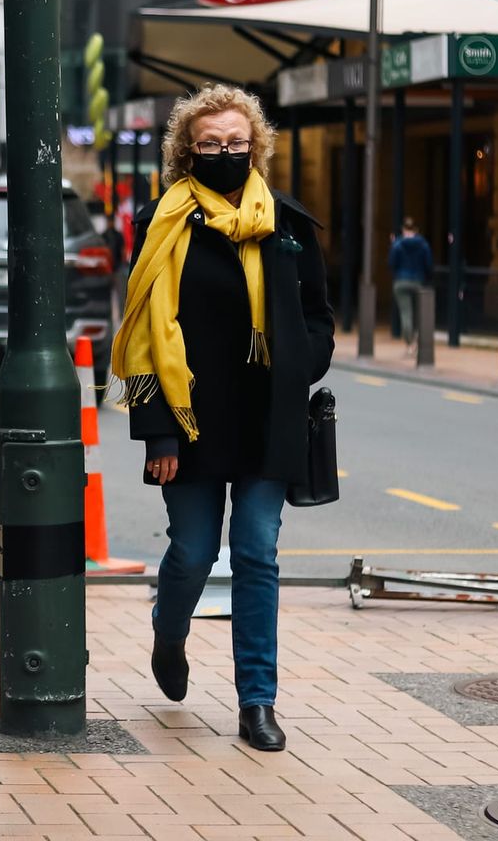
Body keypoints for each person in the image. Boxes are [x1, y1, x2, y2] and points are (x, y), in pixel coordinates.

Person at [113, 84, 333, 752]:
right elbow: (143, 334)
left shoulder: (287, 224)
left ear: (255, 144)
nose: (227, 153)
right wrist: (157, 430)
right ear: (188, 150)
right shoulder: (163, 223)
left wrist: (301, 362)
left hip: (269, 417)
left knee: (257, 554)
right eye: (211, 144)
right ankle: (169, 629)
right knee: (194, 552)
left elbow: (320, 314)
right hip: (191, 422)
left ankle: (257, 702)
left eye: (237, 143)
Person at [389, 218, 433, 354]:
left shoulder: (397, 244)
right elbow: (428, 264)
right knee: (420, 314)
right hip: (418, 281)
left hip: (401, 282)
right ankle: (418, 339)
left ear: (403, 229)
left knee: (406, 314)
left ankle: (410, 344)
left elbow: (391, 263)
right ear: (416, 230)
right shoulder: (423, 244)